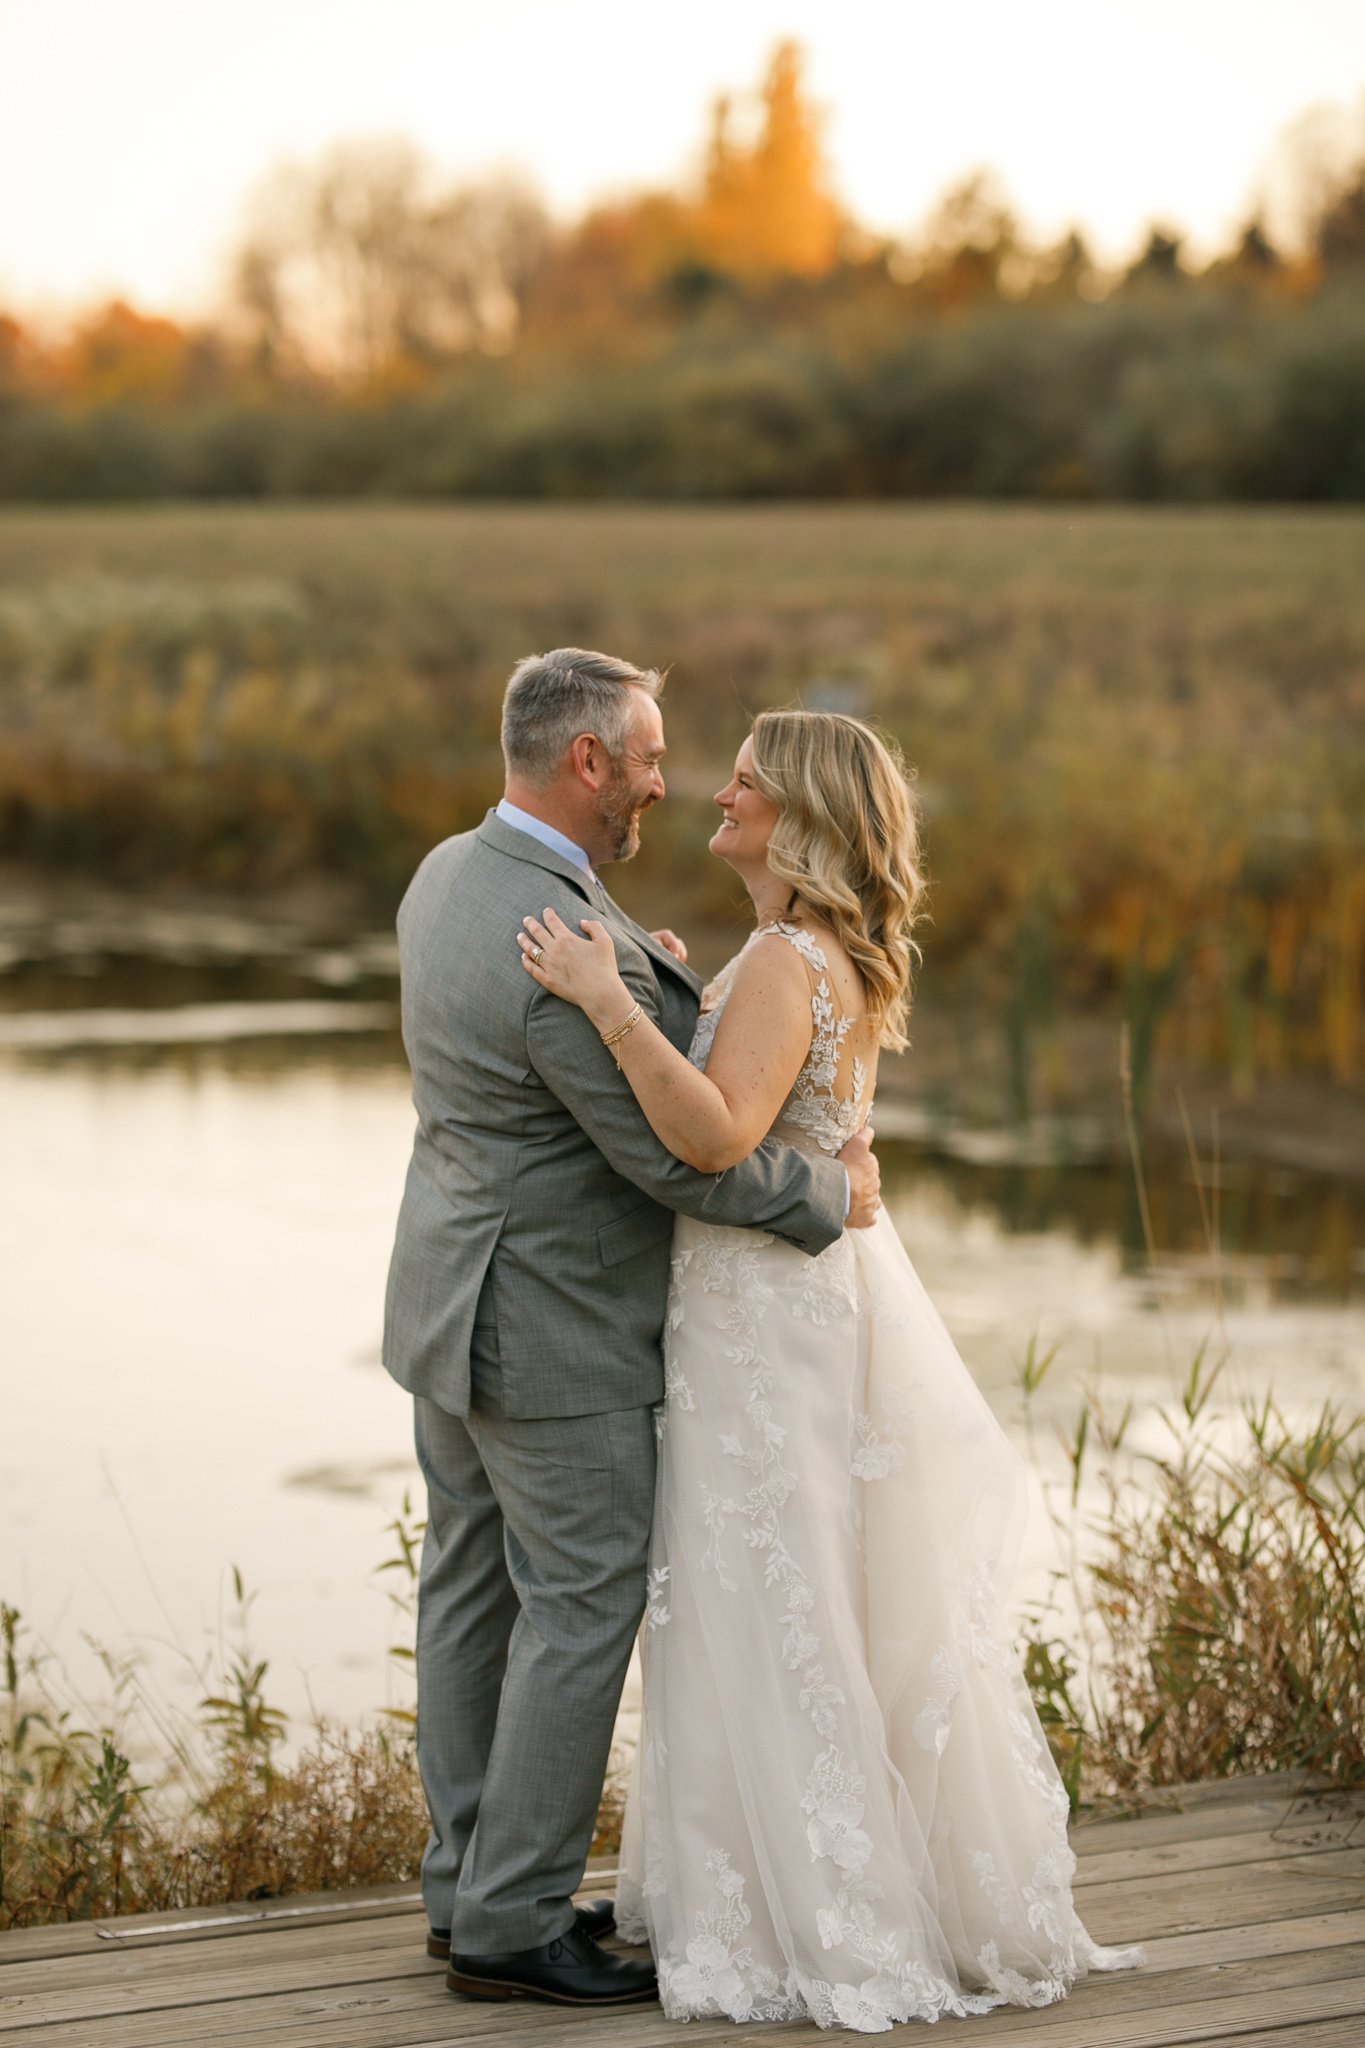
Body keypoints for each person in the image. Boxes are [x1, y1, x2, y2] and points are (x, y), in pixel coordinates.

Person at [516, 708, 1143, 2031]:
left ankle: (804, 1916)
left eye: (745, 780)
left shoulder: (781, 961)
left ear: (798, 815)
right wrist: (677, 997)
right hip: (803, 1308)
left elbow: (711, 1139)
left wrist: (607, 1002)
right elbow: (785, 1116)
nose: (717, 792)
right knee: (809, 1597)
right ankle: (835, 1890)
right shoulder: (808, 958)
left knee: (764, 1592)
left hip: (758, 1324)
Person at [382, 651, 881, 2010]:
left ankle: (465, 1886)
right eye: (651, 760)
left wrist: (650, 992)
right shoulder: (544, 933)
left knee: (471, 1591)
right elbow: (677, 1163)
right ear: (587, 761)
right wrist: (825, 1194)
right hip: (551, 1328)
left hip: (448, 1300)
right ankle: (512, 1924)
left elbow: (540, 1071)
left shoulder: (454, 877)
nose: (668, 783)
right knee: (582, 1603)